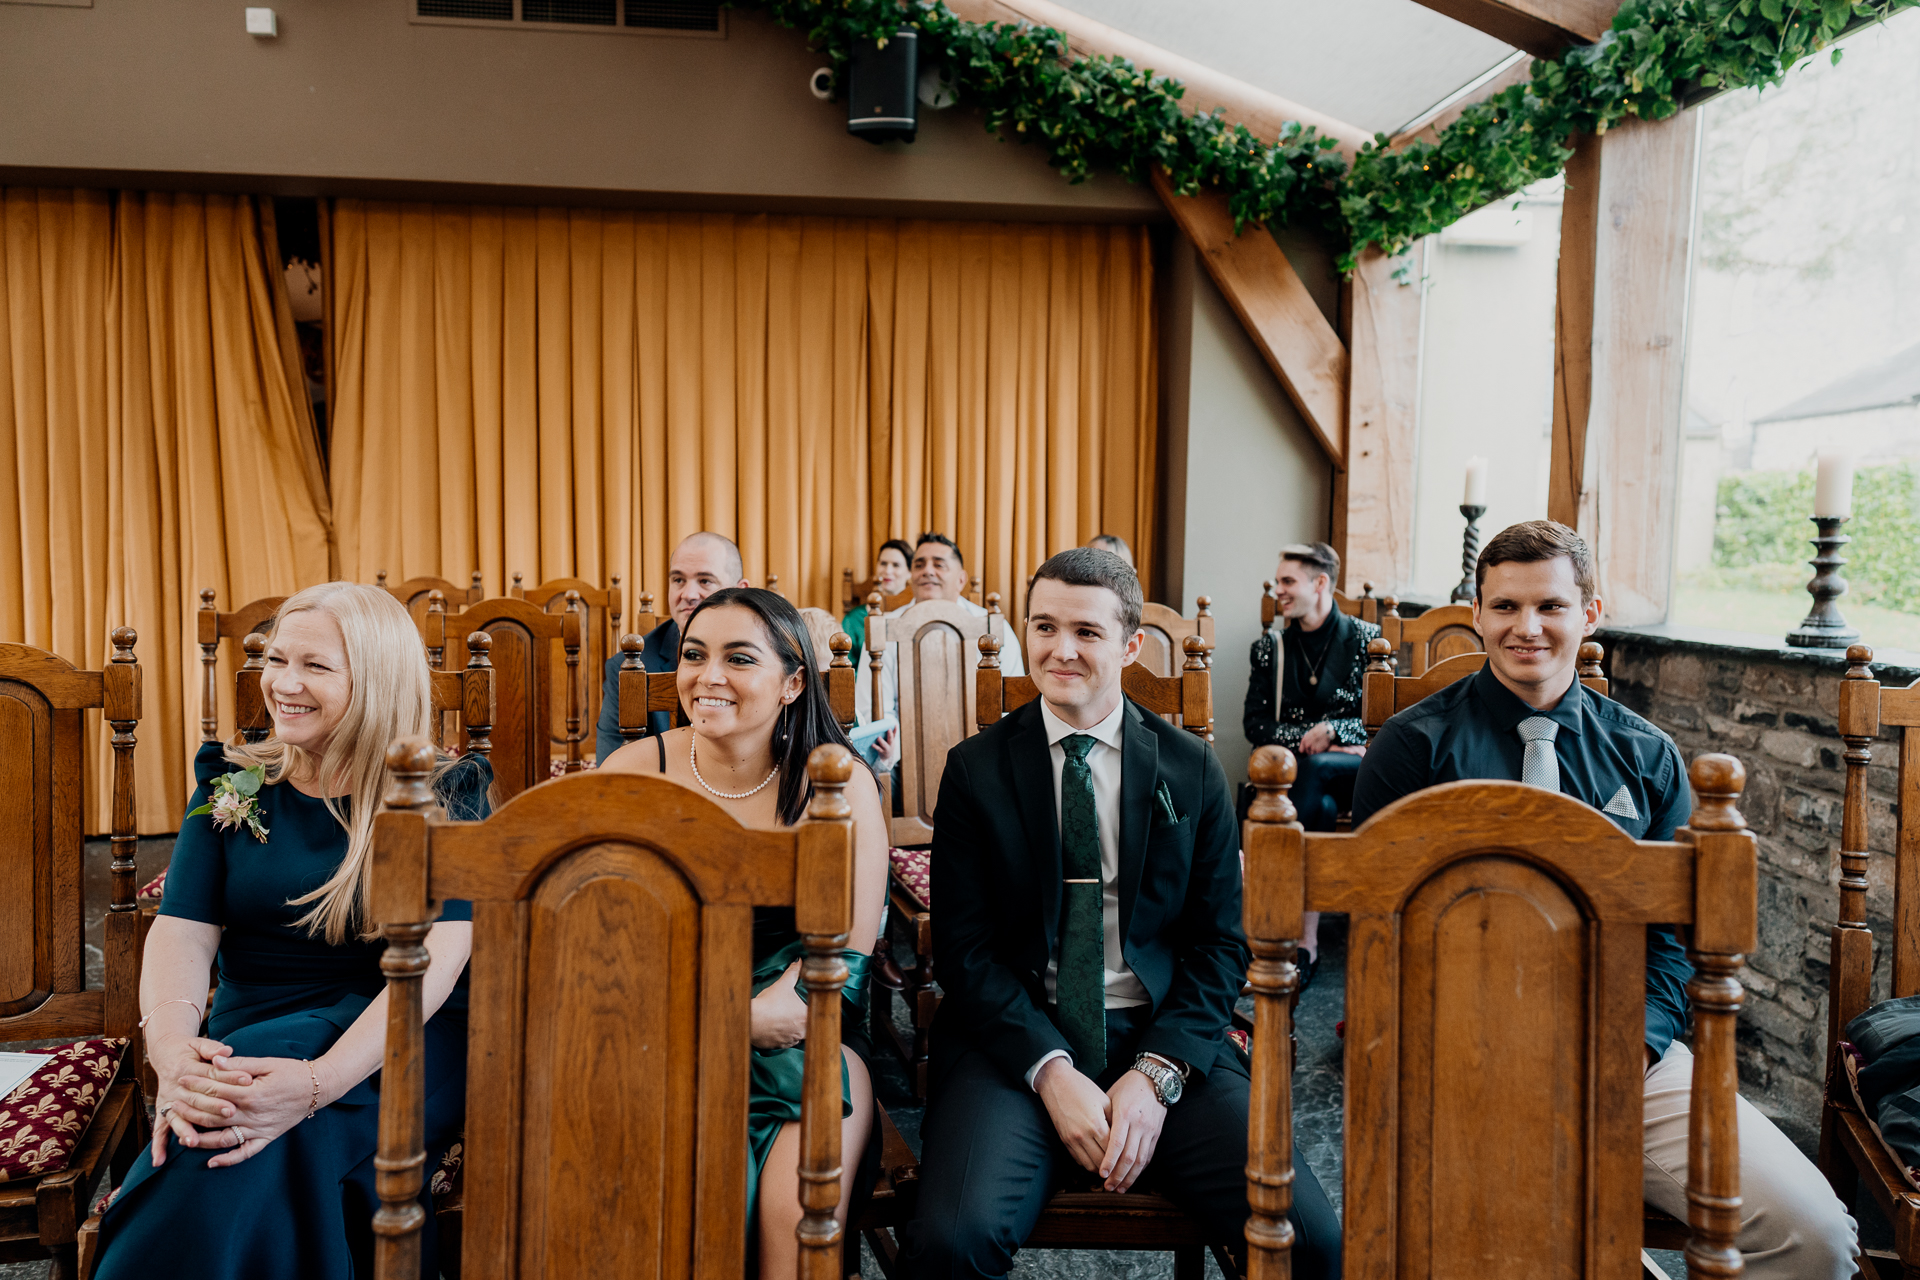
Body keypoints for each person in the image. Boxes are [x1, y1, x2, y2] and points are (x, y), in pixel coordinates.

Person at [1351, 519, 1858, 1280]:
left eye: (1550, 607)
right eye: (1505, 608)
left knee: (1814, 1236)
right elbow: (1376, 934)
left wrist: (1625, 1051)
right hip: (1455, 1053)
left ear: (1590, 614)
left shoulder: (1647, 758)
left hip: (1628, 1054)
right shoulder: (1412, 747)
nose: (1526, 629)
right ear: (1479, 613)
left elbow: (1675, 946)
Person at [897, 548, 1341, 1280]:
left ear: (1130, 644)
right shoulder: (975, 769)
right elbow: (965, 952)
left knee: (1307, 1239)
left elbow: (1218, 945)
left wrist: (1158, 1073)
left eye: (1086, 632)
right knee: (952, 1242)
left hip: (1161, 1034)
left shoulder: (1189, 769)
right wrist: (1050, 1071)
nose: (1059, 649)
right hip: (1013, 1044)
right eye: (1043, 626)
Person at [95, 583, 491, 1280]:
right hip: (250, 1026)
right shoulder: (231, 783)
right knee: (236, 1112)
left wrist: (319, 1082)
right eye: (278, 660)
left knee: (232, 1125)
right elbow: (182, 934)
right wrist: (175, 1053)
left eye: (315, 666)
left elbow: (439, 964)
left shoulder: (446, 792)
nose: (283, 684)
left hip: (398, 1038)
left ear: (374, 680)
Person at [600, 587, 889, 1278]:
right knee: (663, 1202)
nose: (709, 675)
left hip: (800, 1036)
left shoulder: (837, 783)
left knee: (791, 1220)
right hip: (653, 1034)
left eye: (739, 658)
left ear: (794, 682)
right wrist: (711, 1020)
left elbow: (847, 958)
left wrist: (771, 1011)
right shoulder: (633, 774)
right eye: (695, 654)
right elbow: (600, 948)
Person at [1241, 541, 1374, 977]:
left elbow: (1381, 721)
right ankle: (1305, 935)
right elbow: (1256, 725)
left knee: (1317, 771)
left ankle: (1275, 916)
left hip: (1357, 771)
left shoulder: (1366, 641)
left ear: (1320, 584)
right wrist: (1315, 739)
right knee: (1323, 799)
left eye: (1286, 581)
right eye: (1277, 581)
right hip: (1303, 774)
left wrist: (1339, 732)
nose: (1277, 590)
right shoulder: (1270, 648)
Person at [854, 532, 1024, 771]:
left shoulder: (992, 626)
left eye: (939, 564)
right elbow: (873, 709)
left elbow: (1012, 706)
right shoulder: (885, 627)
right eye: (919, 565)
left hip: (981, 756)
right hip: (902, 762)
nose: (928, 571)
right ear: (911, 576)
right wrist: (905, 753)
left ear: (961, 579)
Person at [592, 531, 750, 763]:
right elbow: (612, 771)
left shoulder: (770, 658)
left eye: (705, 581)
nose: (688, 594)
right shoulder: (626, 666)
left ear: (740, 590)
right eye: (678, 580)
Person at [843, 538, 914, 667]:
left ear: (910, 572)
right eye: (883, 563)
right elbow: (847, 667)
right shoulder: (854, 619)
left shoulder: (915, 612)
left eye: (896, 565)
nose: (888, 571)